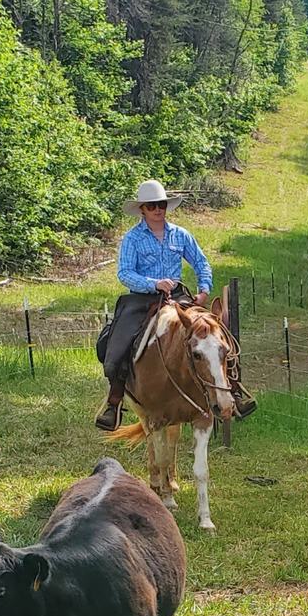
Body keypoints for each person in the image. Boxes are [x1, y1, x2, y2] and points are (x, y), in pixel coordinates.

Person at [96, 179, 256, 430]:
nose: (158, 210)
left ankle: (233, 390)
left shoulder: (180, 234)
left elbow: (201, 262)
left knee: (216, 336)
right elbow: (124, 273)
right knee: (116, 343)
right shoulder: (133, 238)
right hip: (141, 297)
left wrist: (203, 290)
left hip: (178, 297)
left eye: (161, 205)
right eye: (152, 206)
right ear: (142, 209)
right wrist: (153, 283)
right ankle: (114, 400)